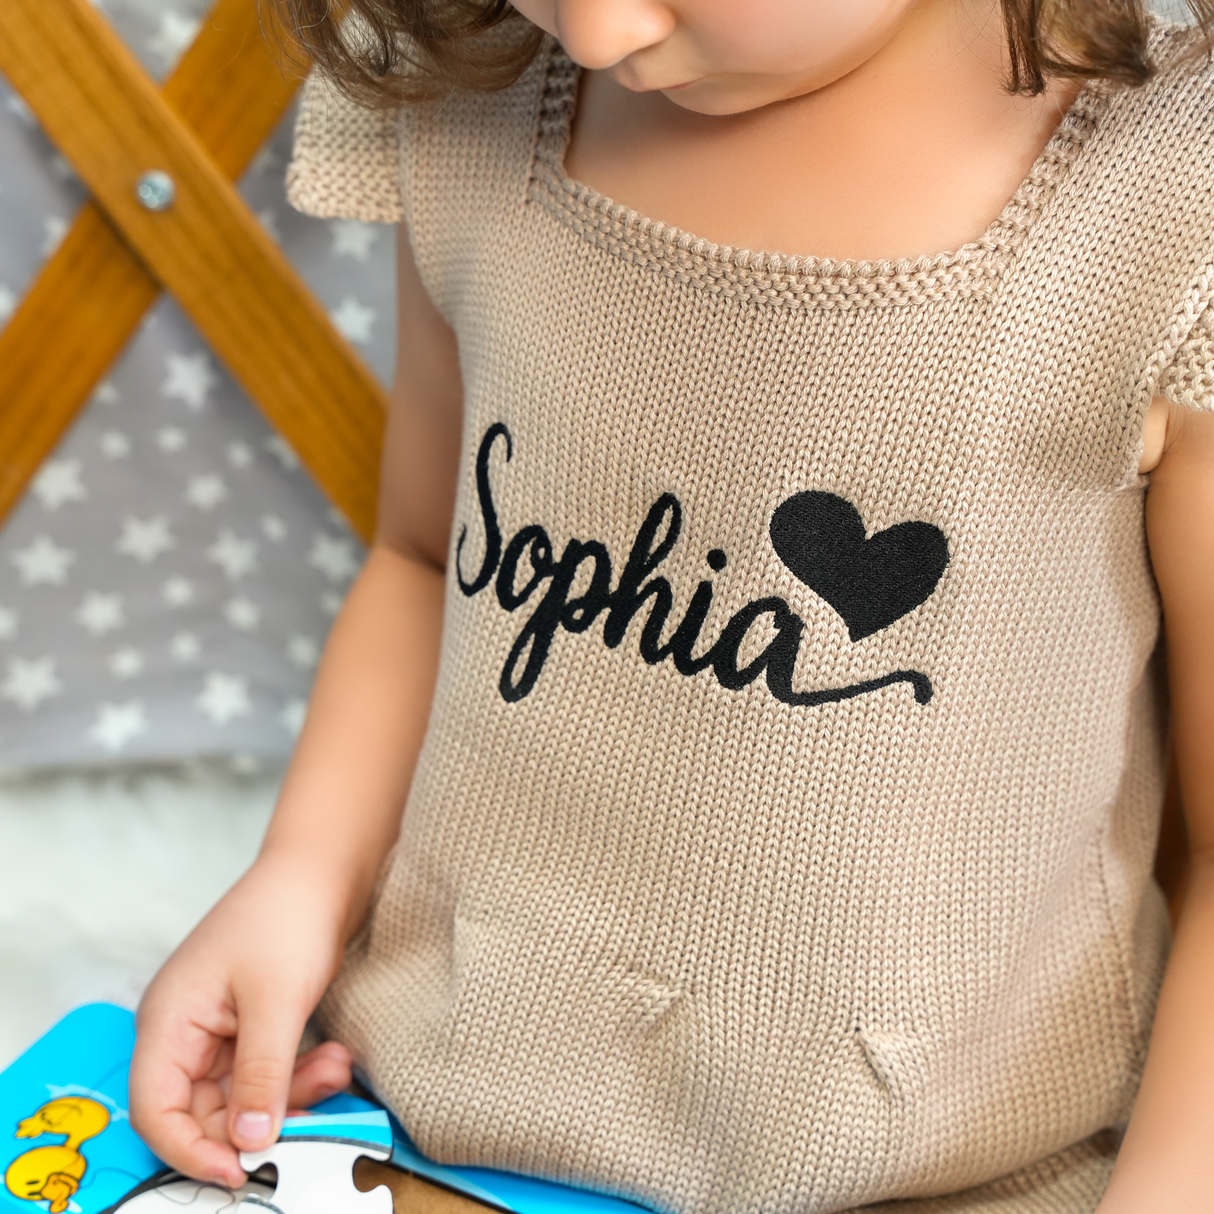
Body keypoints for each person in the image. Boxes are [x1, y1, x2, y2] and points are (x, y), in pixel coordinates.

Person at [128, 1, 1214, 1210]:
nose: (592, 34)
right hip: (421, 1119)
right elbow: (428, 554)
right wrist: (300, 874)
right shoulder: (478, 78)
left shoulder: (1166, 204)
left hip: (946, 1169)